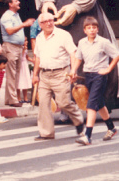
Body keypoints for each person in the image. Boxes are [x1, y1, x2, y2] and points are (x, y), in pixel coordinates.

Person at [32, 12, 85, 140]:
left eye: (51, 20)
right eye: (45, 22)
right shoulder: (39, 38)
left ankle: (78, 120)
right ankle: (46, 133)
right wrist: (35, 75)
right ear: (40, 25)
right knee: (44, 104)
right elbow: (38, 58)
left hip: (60, 73)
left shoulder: (63, 35)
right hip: (44, 75)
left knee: (63, 102)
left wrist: (73, 71)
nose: (49, 23)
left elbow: (73, 53)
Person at [70, 16, 119, 145]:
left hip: (100, 75)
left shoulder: (103, 42)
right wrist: (73, 70)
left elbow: (117, 55)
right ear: (84, 30)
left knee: (91, 104)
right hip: (88, 75)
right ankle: (111, 128)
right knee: (99, 103)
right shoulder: (82, 42)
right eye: (89, 28)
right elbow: (78, 58)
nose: (91, 30)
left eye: (94, 27)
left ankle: (87, 136)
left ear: (97, 29)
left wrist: (108, 69)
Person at [0, 0, 34, 107]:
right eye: (16, 1)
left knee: (16, 74)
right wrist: (24, 24)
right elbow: (9, 30)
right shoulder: (7, 16)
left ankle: (10, 99)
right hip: (10, 47)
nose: (19, 2)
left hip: (18, 47)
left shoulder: (16, 15)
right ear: (10, 4)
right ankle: (13, 99)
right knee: (12, 74)